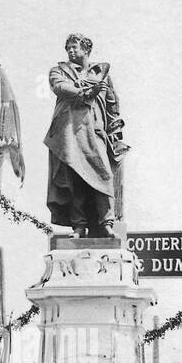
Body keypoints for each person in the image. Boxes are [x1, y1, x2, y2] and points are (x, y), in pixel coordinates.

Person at [44, 33, 128, 237]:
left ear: (86, 50)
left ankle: (107, 222)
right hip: (70, 132)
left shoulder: (101, 73)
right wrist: (87, 92)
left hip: (96, 131)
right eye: (68, 48)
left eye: (75, 47)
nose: (71, 51)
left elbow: (112, 104)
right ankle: (79, 226)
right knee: (75, 179)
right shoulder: (59, 71)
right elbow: (60, 87)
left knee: (104, 174)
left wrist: (115, 133)